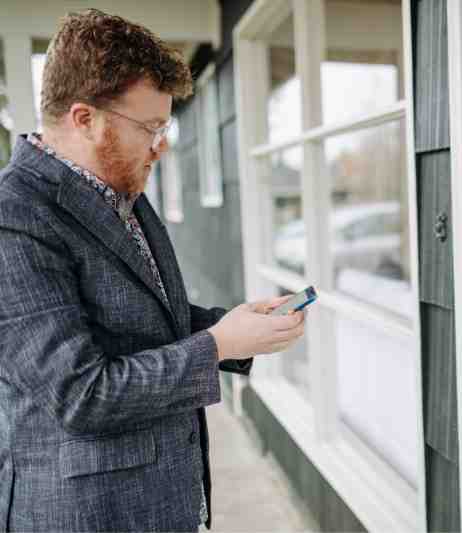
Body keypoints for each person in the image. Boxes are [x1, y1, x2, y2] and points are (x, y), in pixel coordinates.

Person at [0, 9, 306, 532]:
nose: (162, 144)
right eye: (150, 127)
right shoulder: (15, 218)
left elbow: (133, 320)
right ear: (84, 118)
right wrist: (217, 346)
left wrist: (227, 325)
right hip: (87, 517)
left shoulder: (120, 187)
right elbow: (82, 394)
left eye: (166, 125)